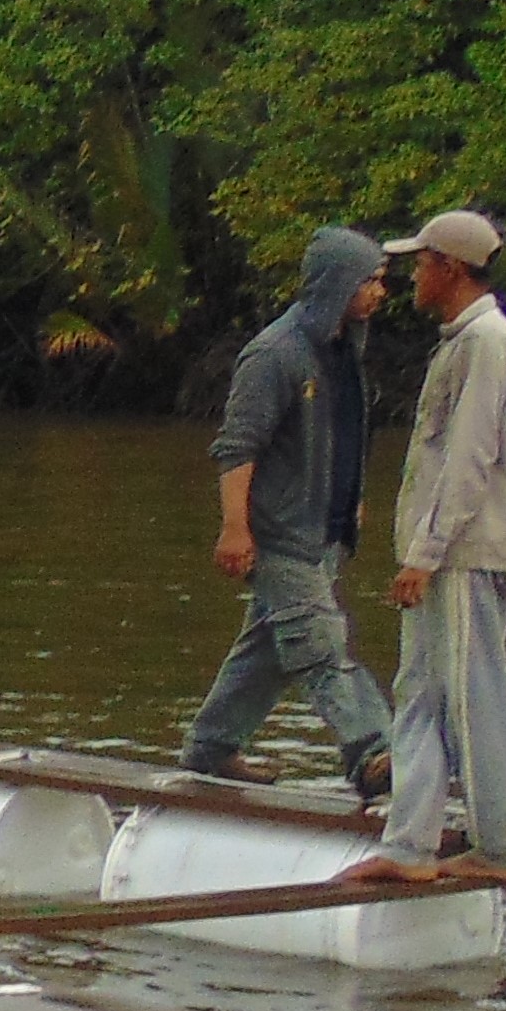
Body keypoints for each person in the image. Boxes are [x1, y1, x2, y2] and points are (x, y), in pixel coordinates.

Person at [351, 211, 506, 886]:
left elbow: (470, 459)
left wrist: (424, 554)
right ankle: (408, 845)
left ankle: (498, 848)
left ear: (452, 268)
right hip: (445, 555)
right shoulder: (463, 338)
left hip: (467, 556)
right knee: (420, 696)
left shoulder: (486, 339)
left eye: (423, 262)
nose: (413, 275)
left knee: (472, 697)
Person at [179, 226, 392, 797]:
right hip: (277, 533)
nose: (379, 293)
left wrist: (350, 501)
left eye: (381, 280)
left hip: (321, 530)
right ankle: (375, 750)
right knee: (319, 644)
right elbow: (237, 446)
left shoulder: (344, 347)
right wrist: (234, 528)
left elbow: (341, 432)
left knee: (270, 649)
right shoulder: (273, 355)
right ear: (336, 283)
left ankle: (211, 747)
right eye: (368, 281)